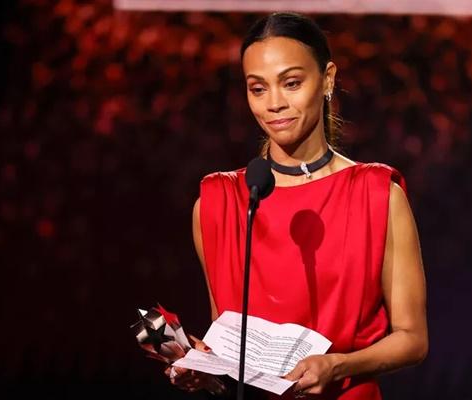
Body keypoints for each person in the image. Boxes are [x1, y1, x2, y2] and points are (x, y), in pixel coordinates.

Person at [165, 12, 428, 399]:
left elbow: (412, 339)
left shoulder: (377, 195)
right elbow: (229, 336)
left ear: (328, 79)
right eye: (258, 88)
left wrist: (340, 364)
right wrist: (204, 366)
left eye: (291, 83)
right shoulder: (218, 203)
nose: (274, 103)